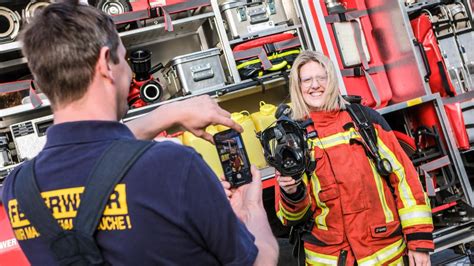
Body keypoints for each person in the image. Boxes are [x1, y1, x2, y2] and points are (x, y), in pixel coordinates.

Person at [1, 1, 278, 265]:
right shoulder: (175, 167)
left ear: (40, 80)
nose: (131, 71)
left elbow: (95, 151)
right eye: (124, 58)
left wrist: (168, 113)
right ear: (105, 64)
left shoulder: (18, 189)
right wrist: (253, 215)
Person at [275, 51, 434, 265]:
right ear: (298, 86)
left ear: (331, 81)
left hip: (385, 255)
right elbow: (290, 218)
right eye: (307, 80)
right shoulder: (291, 139)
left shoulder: (364, 120)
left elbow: (404, 179)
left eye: (321, 78)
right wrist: (292, 194)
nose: (315, 85)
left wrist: (418, 241)